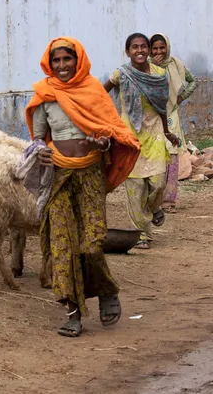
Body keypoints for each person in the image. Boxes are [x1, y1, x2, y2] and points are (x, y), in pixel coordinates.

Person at [26, 36, 141, 337]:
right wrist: (40, 150)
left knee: (91, 244)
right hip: (60, 176)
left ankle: (107, 290)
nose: (62, 66)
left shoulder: (93, 91)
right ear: (49, 64)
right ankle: (73, 312)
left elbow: (112, 131)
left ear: (78, 61)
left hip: (90, 174)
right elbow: (37, 138)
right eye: (56, 61)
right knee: (62, 246)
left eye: (67, 60)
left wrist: (102, 142)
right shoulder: (45, 94)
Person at [103, 33, 180, 249]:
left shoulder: (159, 74)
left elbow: (161, 104)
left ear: (148, 49)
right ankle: (142, 234)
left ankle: (156, 207)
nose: (140, 50)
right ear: (127, 51)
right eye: (134, 47)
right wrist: (108, 121)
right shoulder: (121, 74)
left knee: (158, 182)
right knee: (135, 187)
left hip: (154, 131)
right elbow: (100, 94)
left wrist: (167, 132)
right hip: (129, 136)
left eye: (143, 46)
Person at [149, 33, 199, 213]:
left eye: (162, 48)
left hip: (171, 115)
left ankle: (169, 202)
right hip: (152, 116)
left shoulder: (175, 64)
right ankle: (153, 201)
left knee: (172, 156)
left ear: (167, 48)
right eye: (154, 48)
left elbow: (193, 81)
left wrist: (181, 97)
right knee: (154, 153)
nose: (158, 52)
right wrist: (152, 67)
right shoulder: (146, 66)